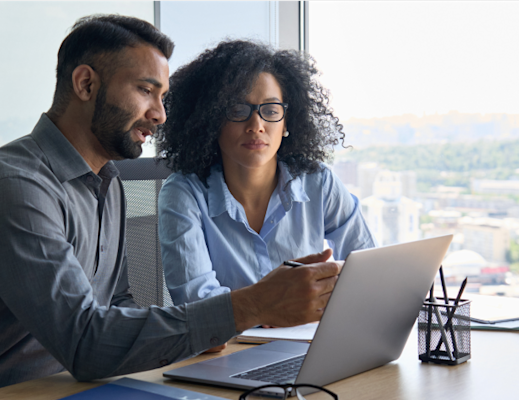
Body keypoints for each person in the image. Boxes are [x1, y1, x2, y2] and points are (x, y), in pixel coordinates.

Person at [0, 16, 341, 399]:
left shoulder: (107, 182)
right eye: (145, 91)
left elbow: (117, 304)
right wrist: (248, 307)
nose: (160, 115)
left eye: (163, 96)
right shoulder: (14, 188)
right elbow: (85, 343)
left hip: (80, 387)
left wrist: (201, 328)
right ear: (86, 84)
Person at [156, 40, 376, 313]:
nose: (256, 126)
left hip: (308, 342)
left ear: (287, 123)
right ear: (212, 120)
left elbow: (368, 270)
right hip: (229, 350)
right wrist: (271, 307)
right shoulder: (183, 194)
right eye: (238, 110)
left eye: (271, 111)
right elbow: (198, 307)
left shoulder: (318, 182)